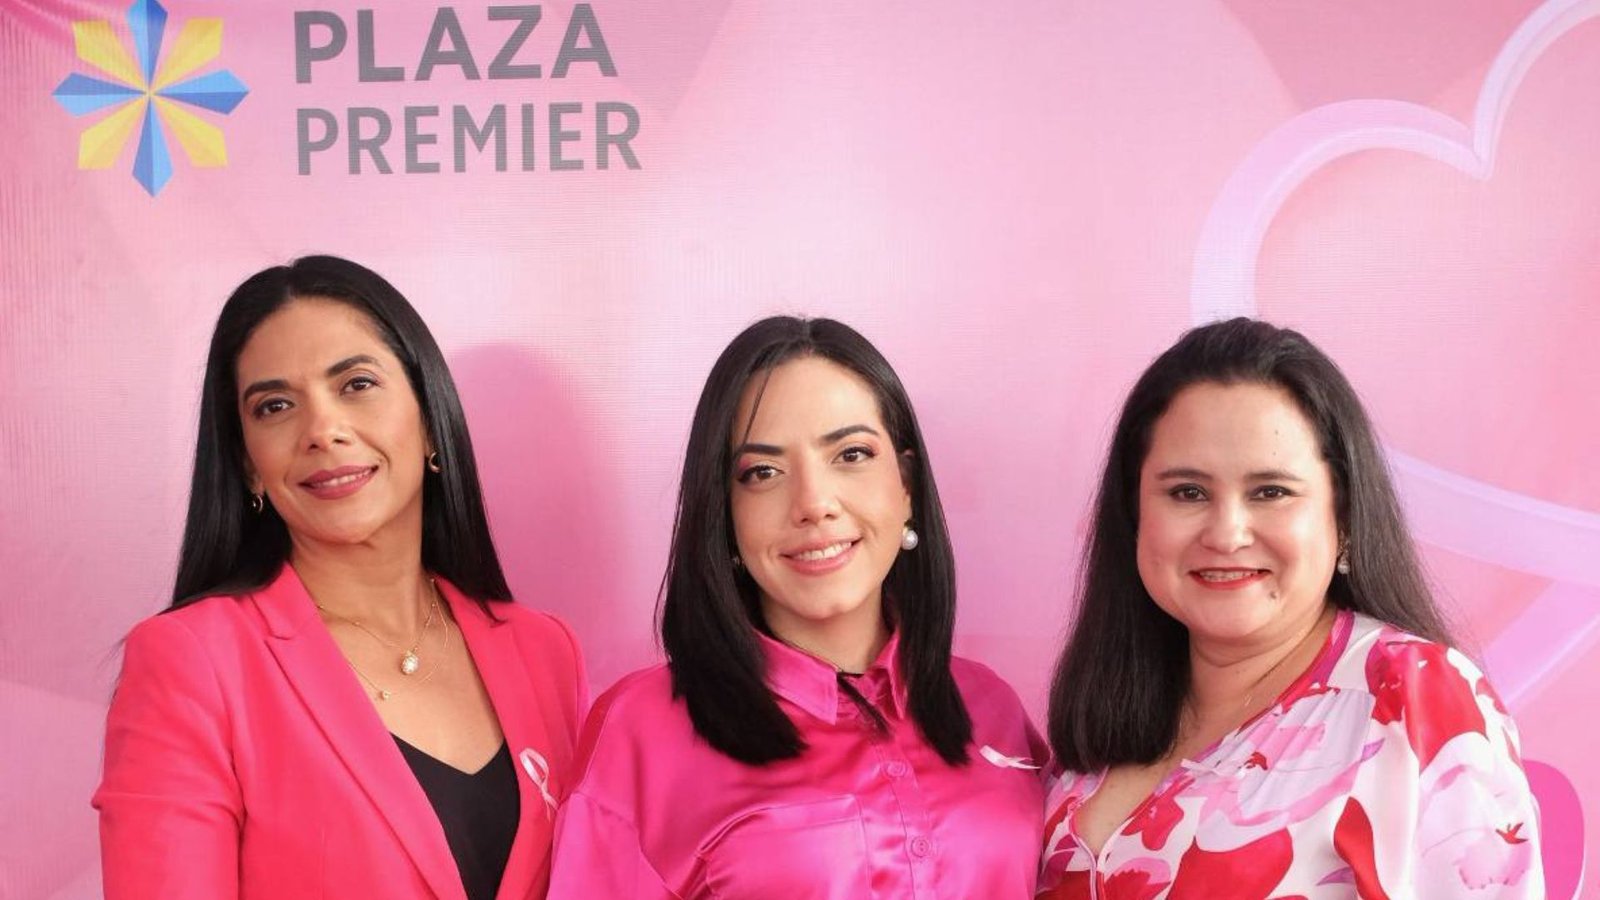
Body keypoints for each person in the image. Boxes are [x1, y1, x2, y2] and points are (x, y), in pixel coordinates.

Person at [93, 256, 586, 900]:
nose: (322, 431)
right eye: (275, 406)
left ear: (431, 418)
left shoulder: (545, 650)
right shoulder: (191, 661)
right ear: (248, 467)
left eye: (356, 384)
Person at [1038, 318, 1543, 898]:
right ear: (1135, 515)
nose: (1227, 533)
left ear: (1344, 514)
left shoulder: (1408, 696)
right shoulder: (1112, 705)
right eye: (1188, 493)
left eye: (1270, 492)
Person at [547, 316, 1047, 898]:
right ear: (724, 514)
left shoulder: (992, 708)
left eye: (852, 454)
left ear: (906, 484)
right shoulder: (641, 732)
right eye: (763, 472)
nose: (813, 503)